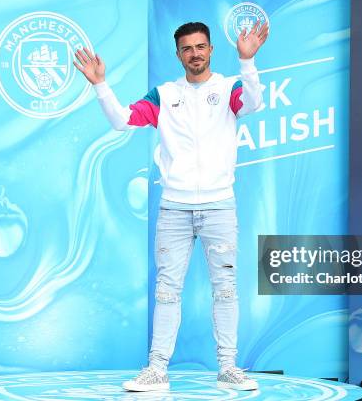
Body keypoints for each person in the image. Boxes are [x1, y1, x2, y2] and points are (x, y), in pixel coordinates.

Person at [74, 20, 269, 392]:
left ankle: (228, 367)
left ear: (211, 49)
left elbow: (254, 104)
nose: (194, 53)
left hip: (219, 207)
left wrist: (248, 61)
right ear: (178, 54)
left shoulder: (230, 86)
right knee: (167, 290)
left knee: (225, 288)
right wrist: (99, 84)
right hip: (174, 209)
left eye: (200, 46)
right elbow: (121, 121)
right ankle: (156, 369)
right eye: (187, 48)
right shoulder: (164, 95)